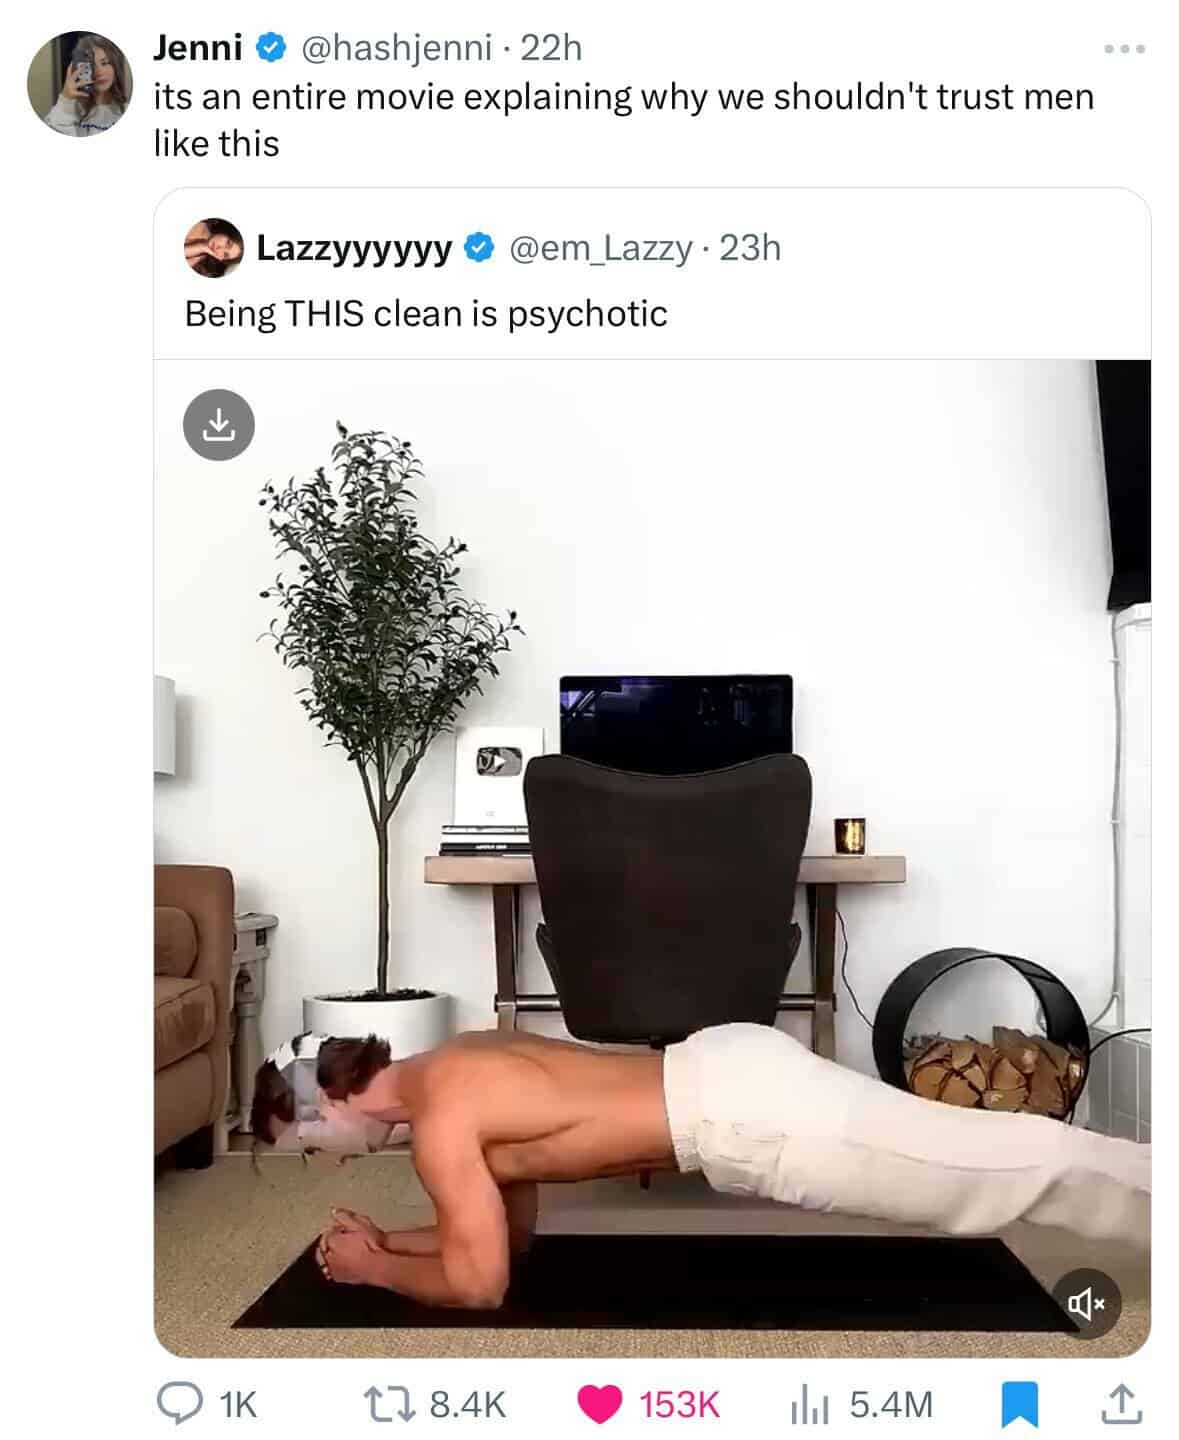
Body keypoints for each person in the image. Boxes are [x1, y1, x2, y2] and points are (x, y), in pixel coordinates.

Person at [251, 1023, 1150, 1310]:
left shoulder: (441, 1130)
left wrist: (373, 1271)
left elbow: (481, 1286)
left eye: (311, 1150)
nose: (327, 1167)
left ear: (326, 1105)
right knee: (980, 1159)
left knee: (993, 1170)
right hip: (724, 1065)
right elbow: (503, 1238)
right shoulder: (455, 1062)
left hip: (747, 1117)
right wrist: (391, 1242)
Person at [42, 36, 130, 138]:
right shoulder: (68, 108)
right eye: (90, 65)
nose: (99, 72)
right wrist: (66, 99)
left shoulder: (125, 110)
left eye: (105, 63)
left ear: (115, 66)